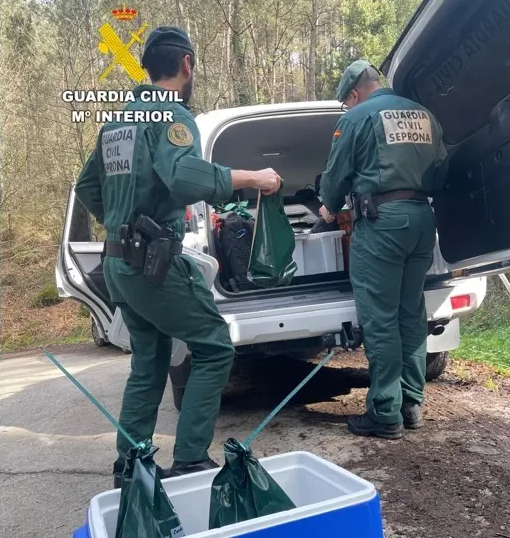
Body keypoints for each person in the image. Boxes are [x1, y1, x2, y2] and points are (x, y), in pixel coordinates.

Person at [74, 26, 282, 486]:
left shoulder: (118, 122)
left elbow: (87, 187)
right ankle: (189, 458)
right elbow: (185, 178)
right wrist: (254, 178)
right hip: (153, 263)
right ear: (187, 64)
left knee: (149, 359)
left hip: (119, 262)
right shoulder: (170, 116)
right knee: (213, 345)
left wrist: (125, 220)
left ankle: (131, 467)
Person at [319, 60, 447, 439]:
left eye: (346, 102)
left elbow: (334, 178)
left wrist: (330, 205)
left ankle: (385, 413)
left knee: (380, 317)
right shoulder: (425, 115)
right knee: (411, 314)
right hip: (422, 220)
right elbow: (441, 169)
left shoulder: (357, 118)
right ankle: (411, 403)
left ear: (354, 93)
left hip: (381, 225)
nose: (347, 107)